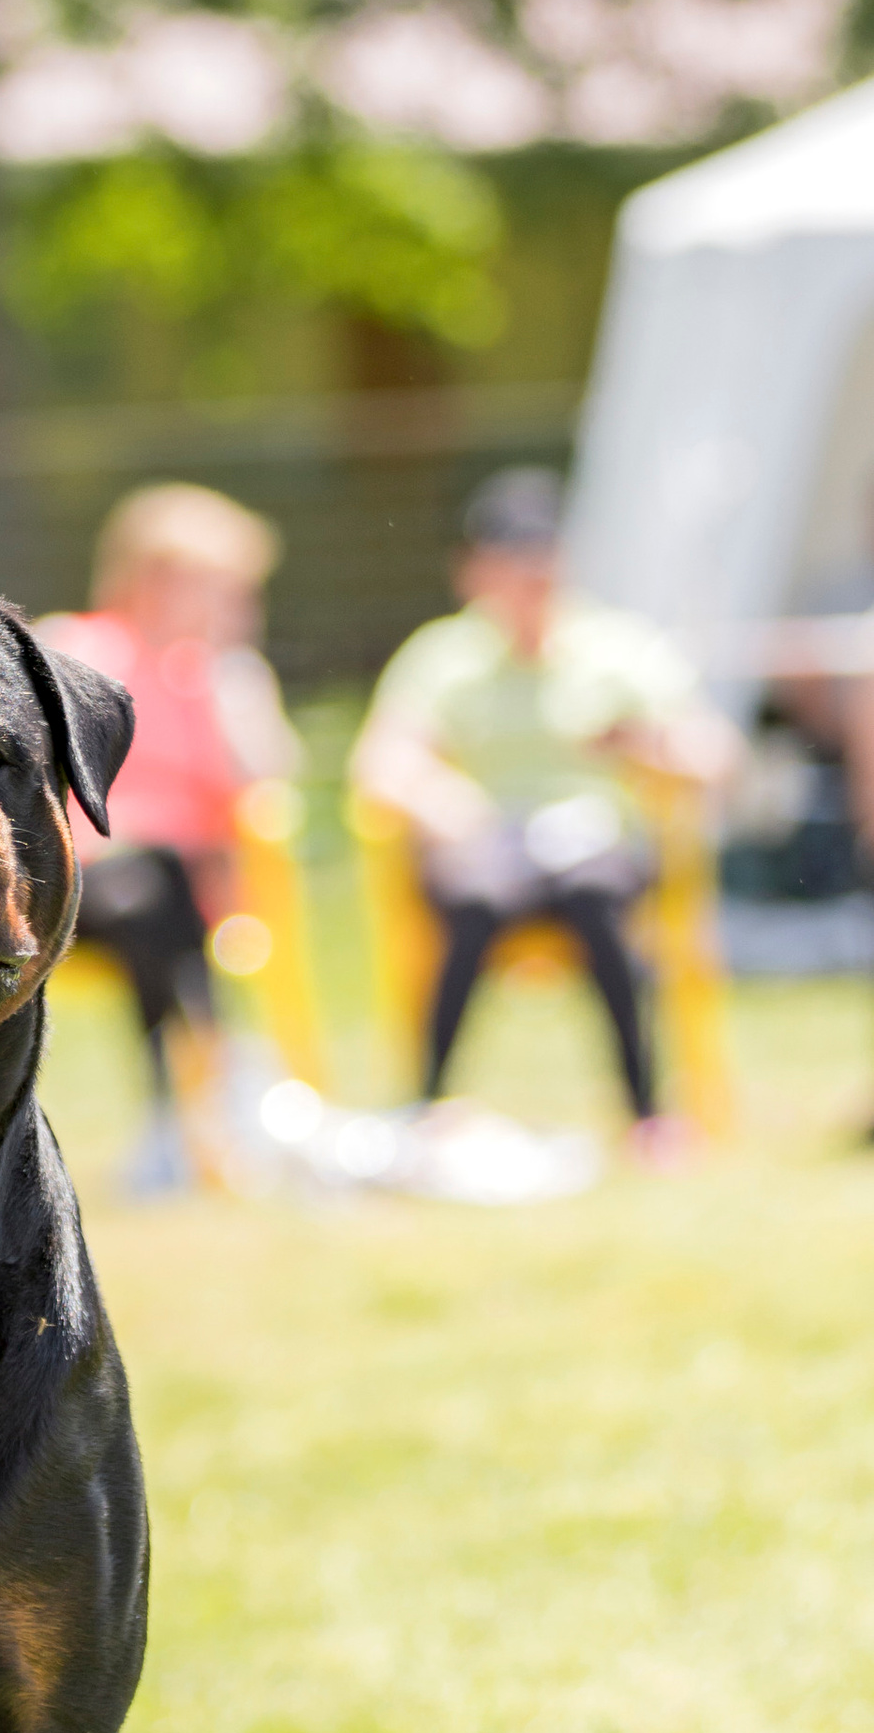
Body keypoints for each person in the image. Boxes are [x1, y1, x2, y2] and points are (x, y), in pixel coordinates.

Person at [350, 466, 735, 1151]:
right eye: (514, 561)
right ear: (475, 570)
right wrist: (437, 797)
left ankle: (646, 1112)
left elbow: (715, 756)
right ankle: (432, 1103)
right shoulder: (445, 656)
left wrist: (642, 744)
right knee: (472, 901)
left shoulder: (619, 647)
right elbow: (382, 761)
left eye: (544, 559)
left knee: (598, 896)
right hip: (488, 849)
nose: (533, 579)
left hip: (595, 847)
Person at [40, 485, 298, 1192]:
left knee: (162, 891)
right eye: (221, 587)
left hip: (177, 897)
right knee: (149, 878)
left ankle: (184, 1119)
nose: (234, 604)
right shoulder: (75, 648)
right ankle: (196, 1109)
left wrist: (232, 675)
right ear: (156, 576)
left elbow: (268, 779)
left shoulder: (215, 674)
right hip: (81, 883)